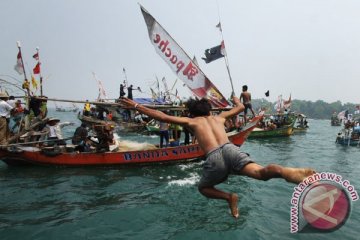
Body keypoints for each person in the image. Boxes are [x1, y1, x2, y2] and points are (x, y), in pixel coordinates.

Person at [120, 96, 315, 218]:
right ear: (208, 111)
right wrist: (237, 101)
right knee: (261, 172)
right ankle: (287, 171)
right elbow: (239, 109)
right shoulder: (219, 118)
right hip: (231, 149)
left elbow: (161, 116)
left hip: (214, 157)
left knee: (203, 188)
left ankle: (229, 197)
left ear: (192, 112)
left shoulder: (191, 121)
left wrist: (137, 105)